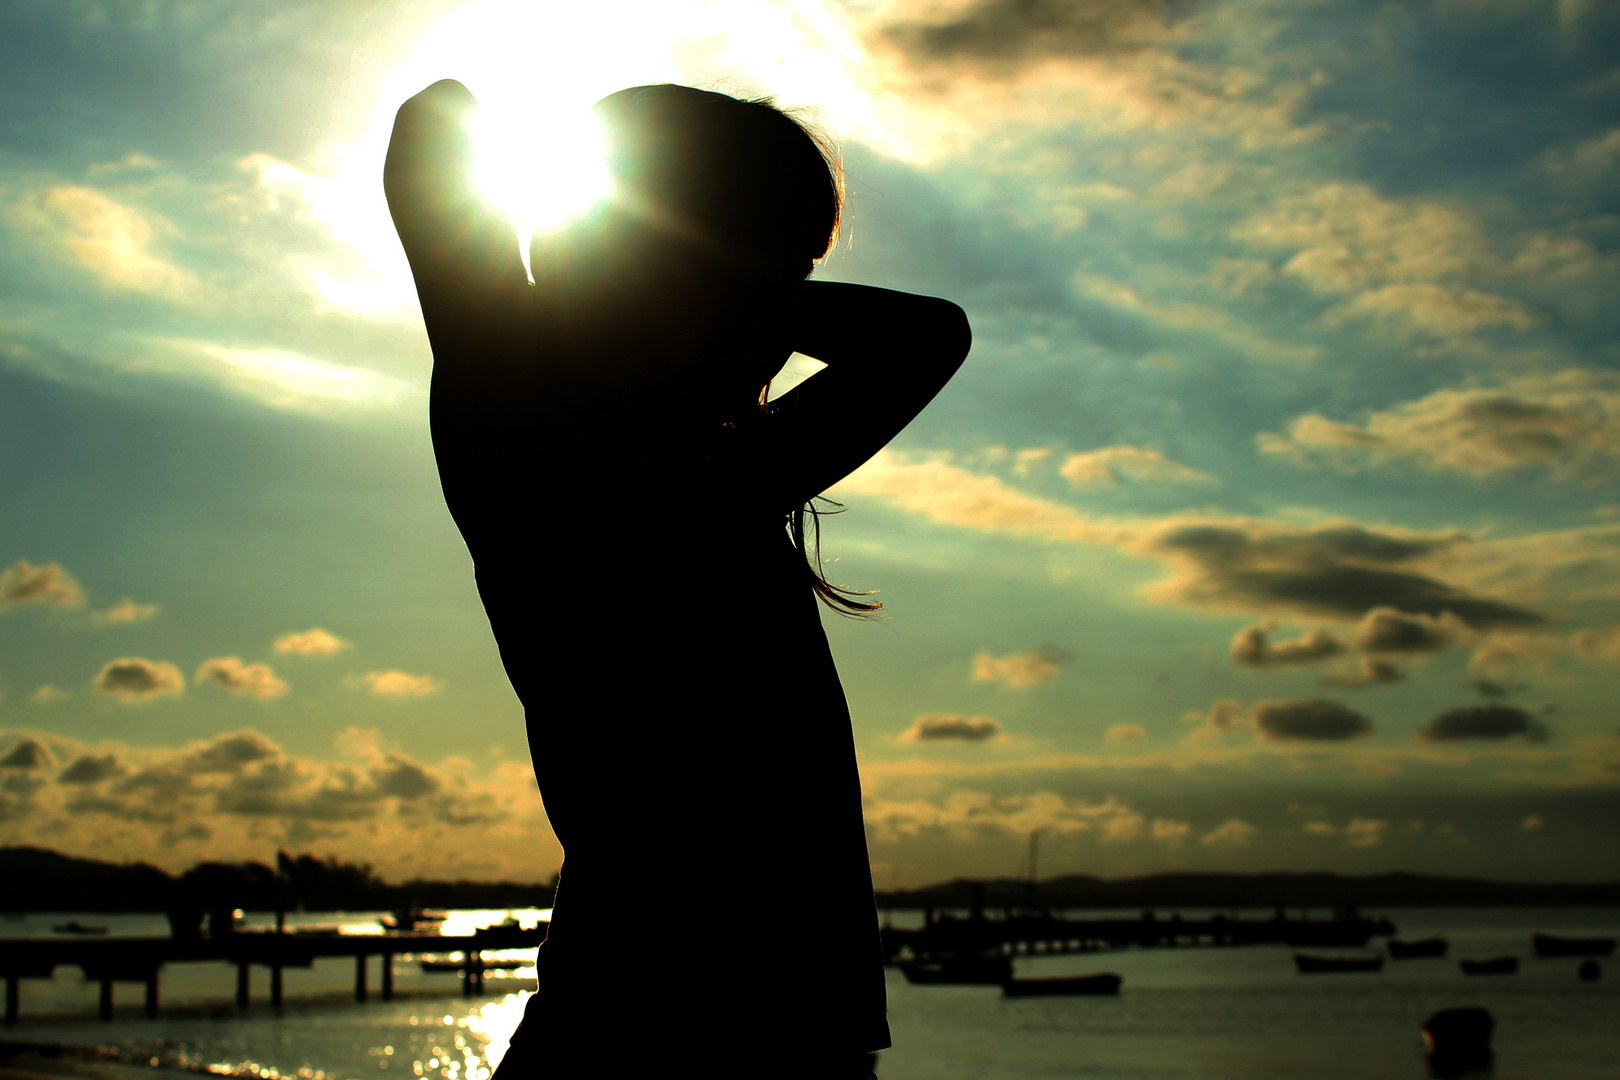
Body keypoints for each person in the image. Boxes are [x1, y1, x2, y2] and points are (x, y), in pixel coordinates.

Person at [385, 78, 971, 1079]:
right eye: (772, 253)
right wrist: (679, 278)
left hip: (790, 1032)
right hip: (649, 1028)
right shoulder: (545, 446)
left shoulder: (729, 474)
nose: (780, 307)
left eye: (799, 269)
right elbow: (433, 126)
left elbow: (931, 336)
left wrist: (704, 285)